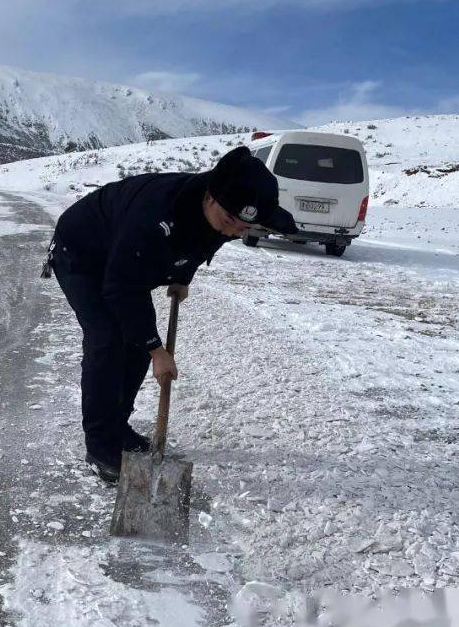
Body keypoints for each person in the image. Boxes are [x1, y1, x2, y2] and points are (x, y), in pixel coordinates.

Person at [44, 146, 298, 483]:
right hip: (82, 252)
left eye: (242, 229)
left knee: (135, 342)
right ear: (209, 198)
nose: (233, 232)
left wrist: (181, 277)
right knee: (107, 339)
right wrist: (157, 351)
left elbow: (204, 241)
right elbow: (121, 289)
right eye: (229, 222)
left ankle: (118, 427)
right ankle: (101, 446)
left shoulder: (223, 212)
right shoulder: (155, 216)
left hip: (126, 259)